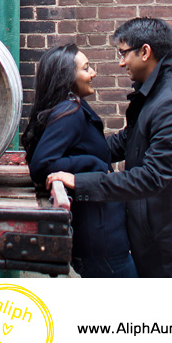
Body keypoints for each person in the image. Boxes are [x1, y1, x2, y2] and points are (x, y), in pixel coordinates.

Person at [46, 18, 172, 278]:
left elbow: (152, 177)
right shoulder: (151, 98)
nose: (120, 62)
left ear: (145, 52)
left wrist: (80, 181)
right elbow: (125, 143)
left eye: (123, 53)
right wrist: (72, 155)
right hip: (155, 244)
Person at [21, 43, 137, 278]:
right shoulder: (70, 112)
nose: (93, 73)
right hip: (101, 241)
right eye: (86, 68)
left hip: (102, 235)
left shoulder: (73, 109)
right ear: (68, 77)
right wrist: (92, 164)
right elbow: (42, 165)